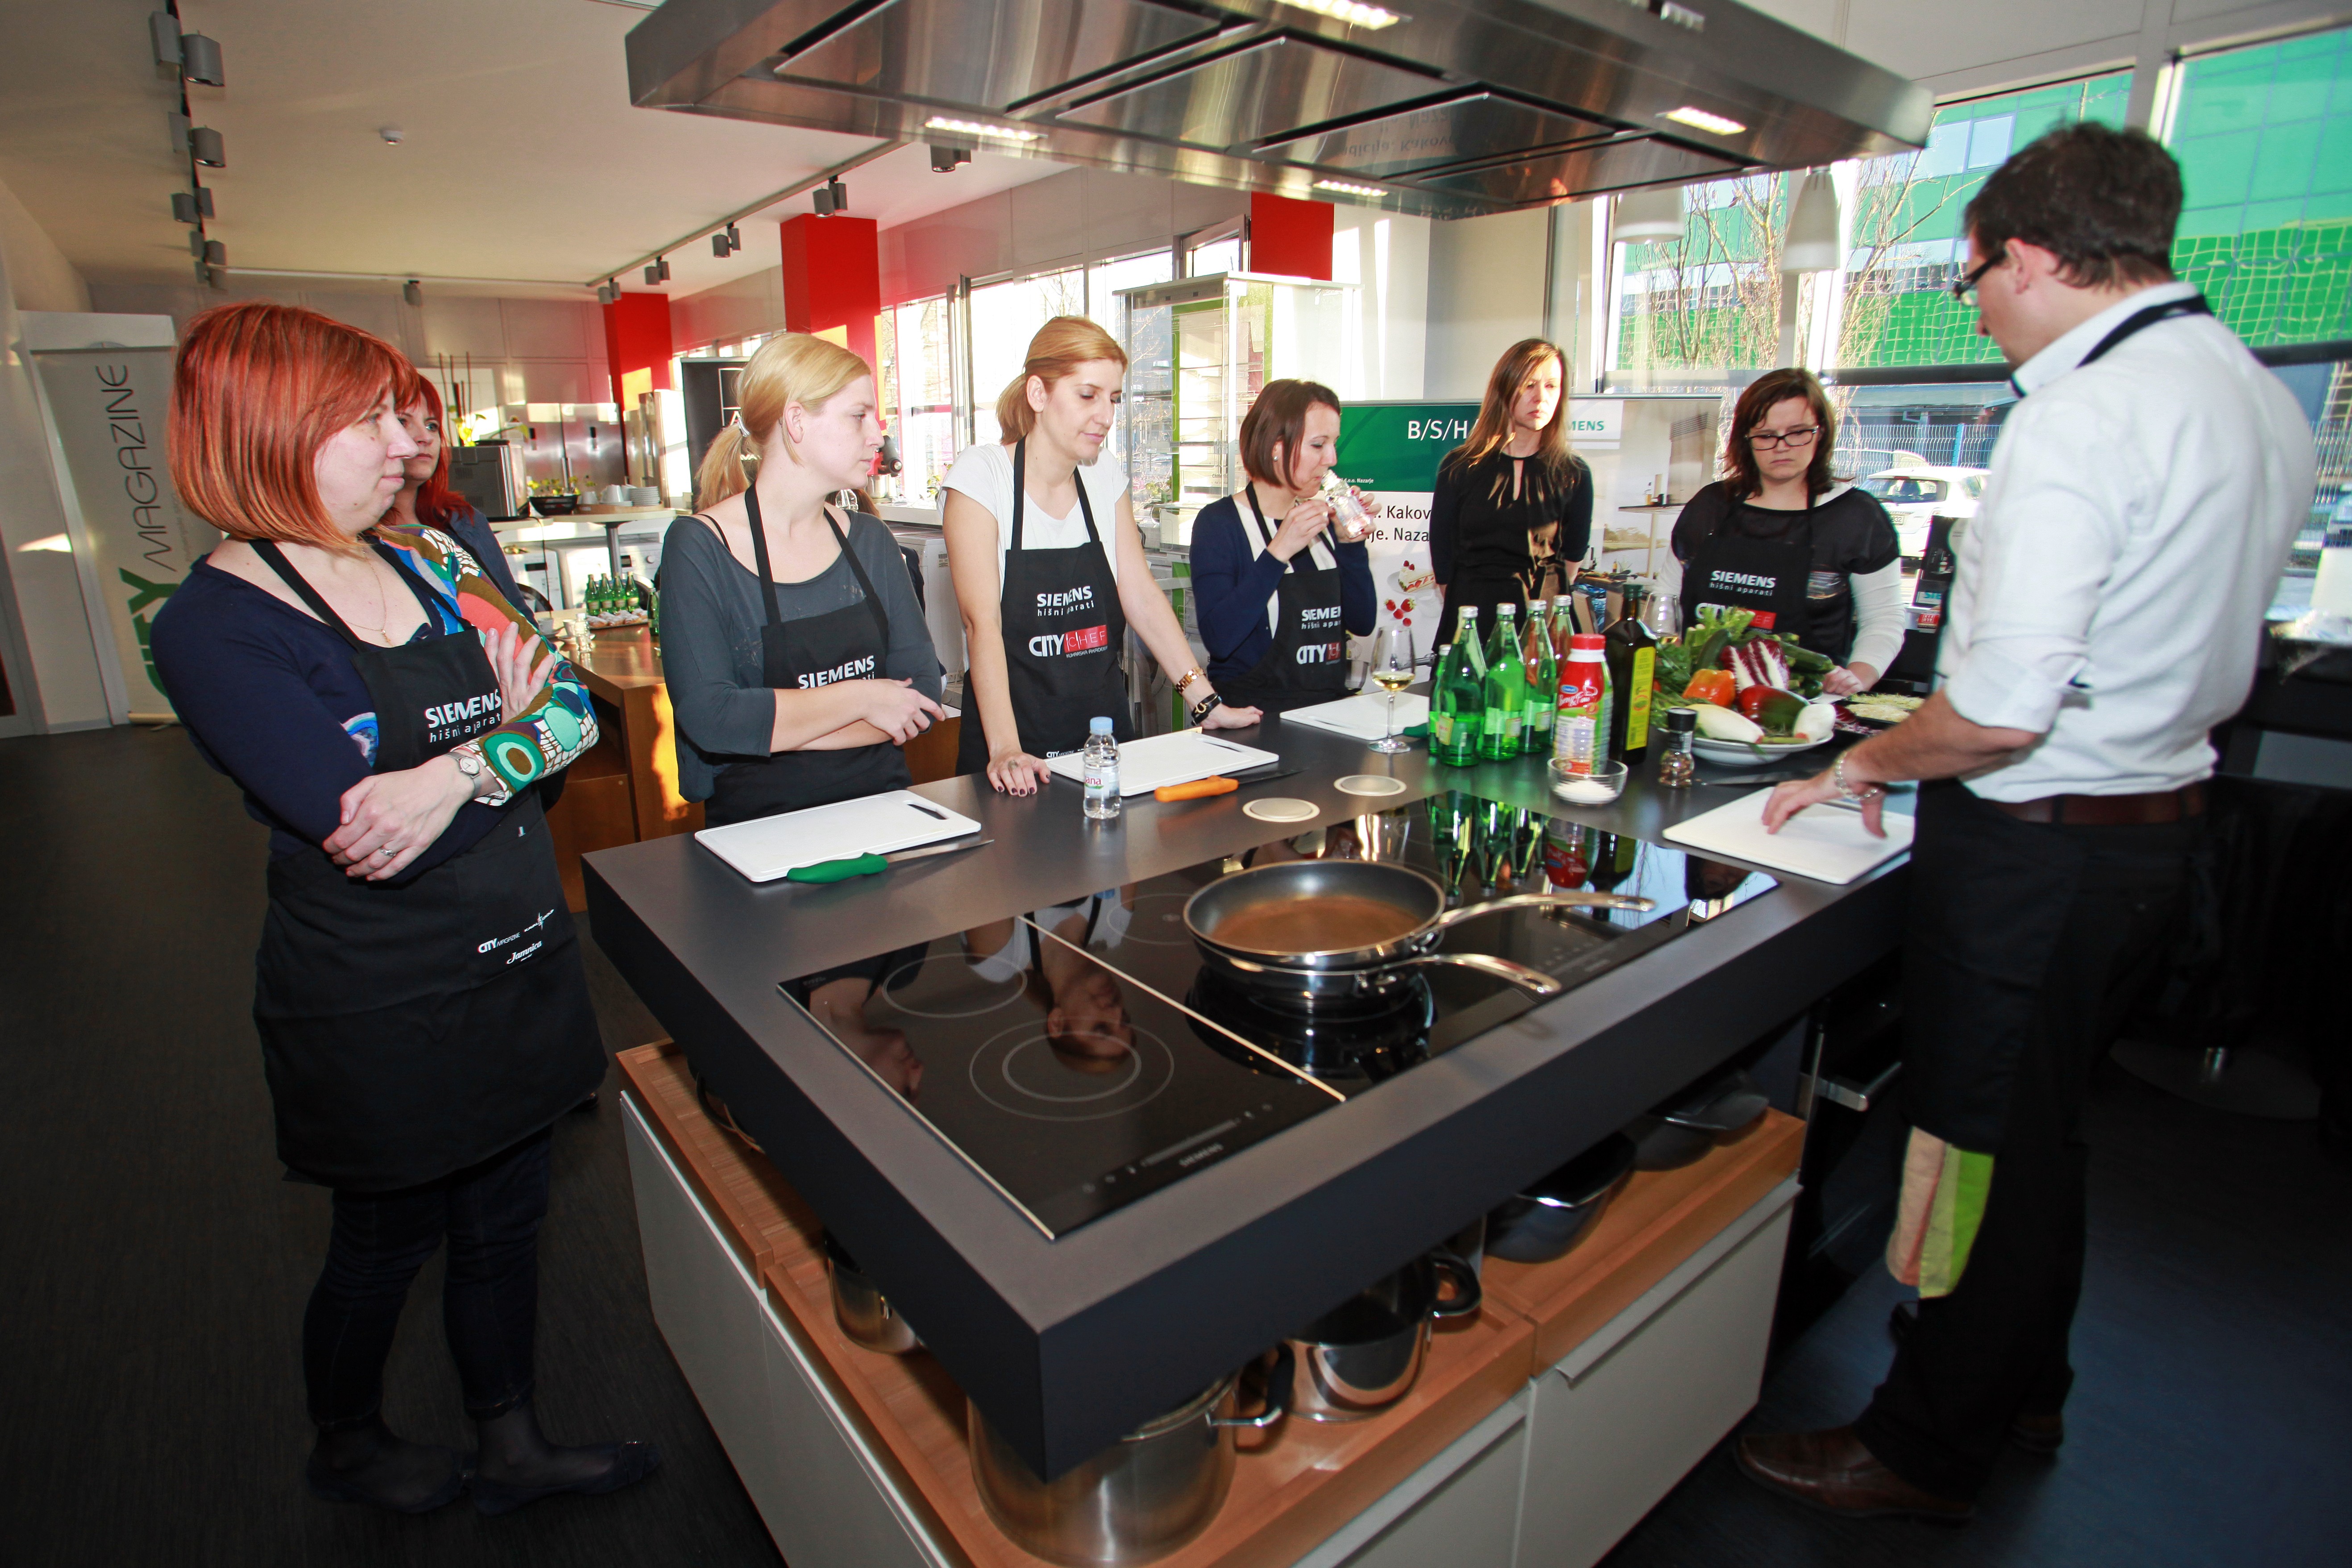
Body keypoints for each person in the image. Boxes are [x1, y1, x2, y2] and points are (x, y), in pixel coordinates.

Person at [1742, 124, 2313, 1522]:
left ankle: (1925, 1439)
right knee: (2039, 1131)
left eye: (1972, 280)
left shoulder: (2080, 415)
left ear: (2032, 257)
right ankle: (2024, 1379)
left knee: (1968, 1138)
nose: (1977, 310)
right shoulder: (2252, 394)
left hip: (2036, 849)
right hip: (2153, 837)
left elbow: (1998, 711)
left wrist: (1865, 765)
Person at [149, 301, 658, 1517]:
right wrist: (501, 747)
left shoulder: (425, 559)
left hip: (520, 956)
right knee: (387, 1242)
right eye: (367, 420)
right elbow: (364, 835)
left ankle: (512, 1440)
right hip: (382, 997)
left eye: (398, 415)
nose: (407, 444)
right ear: (267, 431)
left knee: (510, 1218)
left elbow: (574, 719)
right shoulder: (214, 626)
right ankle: (345, 1439)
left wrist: (452, 771)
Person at [662, 333, 945, 1033]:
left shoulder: (870, 541)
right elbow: (711, 717)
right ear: (794, 421)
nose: (878, 433)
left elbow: (921, 691)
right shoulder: (700, 548)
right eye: (858, 414)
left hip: (886, 830)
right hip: (764, 848)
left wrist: (777, 726)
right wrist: (863, 697)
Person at [943, 315, 1261, 794]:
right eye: (1087, 395)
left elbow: (1141, 595)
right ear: (1038, 394)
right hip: (1014, 748)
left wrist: (1206, 703)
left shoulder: (1103, 474)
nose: (1106, 416)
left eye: (1113, 398)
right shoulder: (982, 476)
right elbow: (980, 624)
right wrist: (1007, 748)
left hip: (1102, 740)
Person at [1670, 368, 1904, 696]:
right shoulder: (1710, 507)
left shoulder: (1856, 517)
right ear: (1746, 440)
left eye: (1797, 432)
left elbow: (1884, 619)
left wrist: (1857, 677)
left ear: (1820, 433)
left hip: (1805, 702)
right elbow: (1666, 601)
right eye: (1766, 435)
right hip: (1700, 696)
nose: (1781, 447)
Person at [1188, 379, 1378, 715]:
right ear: (1276, 446)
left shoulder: (1323, 521)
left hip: (1329, 717)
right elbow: (1220, 639)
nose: (1332, 459)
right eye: (1318, 445)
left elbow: (1362, 623)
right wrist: (1277, 553)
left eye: (1334, 444)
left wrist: (1351, 544)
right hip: (1254, 720)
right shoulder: (1220, 523)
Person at [1430, 338, 1592, 649]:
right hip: (1473, 618)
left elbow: (1572, 560)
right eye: (1529, 385)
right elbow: (1444, 562)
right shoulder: (1459, 467)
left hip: (1543, 627)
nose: (1541, 398)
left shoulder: (1574, 473)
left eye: (1551, 386)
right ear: (1504, 388)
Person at [385, 369, 535, 615]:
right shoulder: (357, 535)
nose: (425, 437)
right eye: (403, 421)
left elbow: (517, 611)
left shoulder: (462, 519)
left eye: (432, 426)